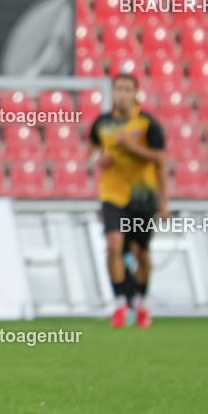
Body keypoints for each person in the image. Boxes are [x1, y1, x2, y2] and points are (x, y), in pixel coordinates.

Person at [87, 73, 167, 328]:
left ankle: (141, 303)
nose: (121, 93)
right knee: (113, 244)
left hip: (143, 196)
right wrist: (97, 160)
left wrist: (163, 202)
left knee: (141, 253)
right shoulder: (102, 122)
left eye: (126, 89)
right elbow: (89, 152)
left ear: (135, 93)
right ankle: (120, 303)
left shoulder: (147, 124)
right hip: (111, 194)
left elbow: (160, 159)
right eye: (117, 89)